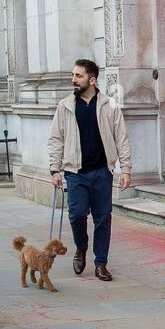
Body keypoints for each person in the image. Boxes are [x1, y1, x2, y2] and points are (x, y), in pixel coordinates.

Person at [47, 58, 132, 281]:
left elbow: (121, 137)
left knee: (103, 217)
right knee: (76, 215)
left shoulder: (109, 105)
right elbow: (56, 139)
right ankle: (81, 247)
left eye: (78, 76)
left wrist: (126, 169)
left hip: (102, 172)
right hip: (75, 173)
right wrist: (54, 169)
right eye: (73, 75)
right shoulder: (65, 106)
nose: (73, 80)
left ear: (92, 80)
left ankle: (101, 263)